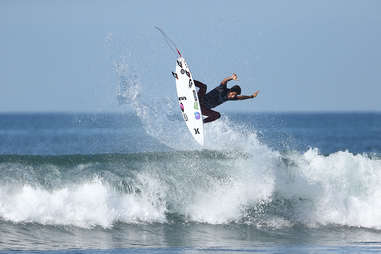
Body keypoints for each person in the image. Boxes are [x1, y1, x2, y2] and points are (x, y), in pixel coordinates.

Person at [194, 73, 259, 123]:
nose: (233, 96)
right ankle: (189, 82)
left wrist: (251, 96)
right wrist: (231, 77)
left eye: (235, 95)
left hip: (203, 109)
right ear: (230, 90)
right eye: (233, 94)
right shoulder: (222, 89)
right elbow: (224, 81)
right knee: (204, 87)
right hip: (199, 100)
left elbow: (241, 97)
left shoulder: (230, 97)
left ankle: (201, 122)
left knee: (217, 115)